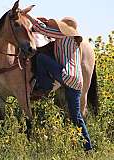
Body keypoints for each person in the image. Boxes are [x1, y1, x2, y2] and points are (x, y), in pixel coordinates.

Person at [27, 15, 93, 151]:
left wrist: (28, 16)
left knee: (40, 58)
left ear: (65, 28)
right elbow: (47, 32)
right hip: (76, 82)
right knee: (76, 117)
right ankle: (88, 148)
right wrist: (45, 23)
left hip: (66, 76)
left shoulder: (63, 35)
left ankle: (43, 87)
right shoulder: (72, 39)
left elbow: (42, 30)